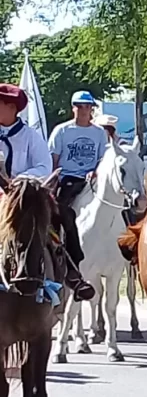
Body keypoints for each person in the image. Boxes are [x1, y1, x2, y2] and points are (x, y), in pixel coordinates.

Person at [49, 90, 107, 301]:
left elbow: (103, 158)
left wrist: (97, 171)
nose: (83, 110)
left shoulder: (100, 133)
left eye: (87, 106)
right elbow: (53, 160)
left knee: (121, 208)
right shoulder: (62, 131)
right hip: (67, 179)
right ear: (72, 107)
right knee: (63, 213)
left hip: (92, 180)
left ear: (92, 109)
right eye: (79, 106)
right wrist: (53, 182)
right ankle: (70, 263)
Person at [0, 83, 52, 180]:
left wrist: (20, 179)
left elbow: (44, 168)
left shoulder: (31, 137)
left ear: (12, 107)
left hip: (20, 190)